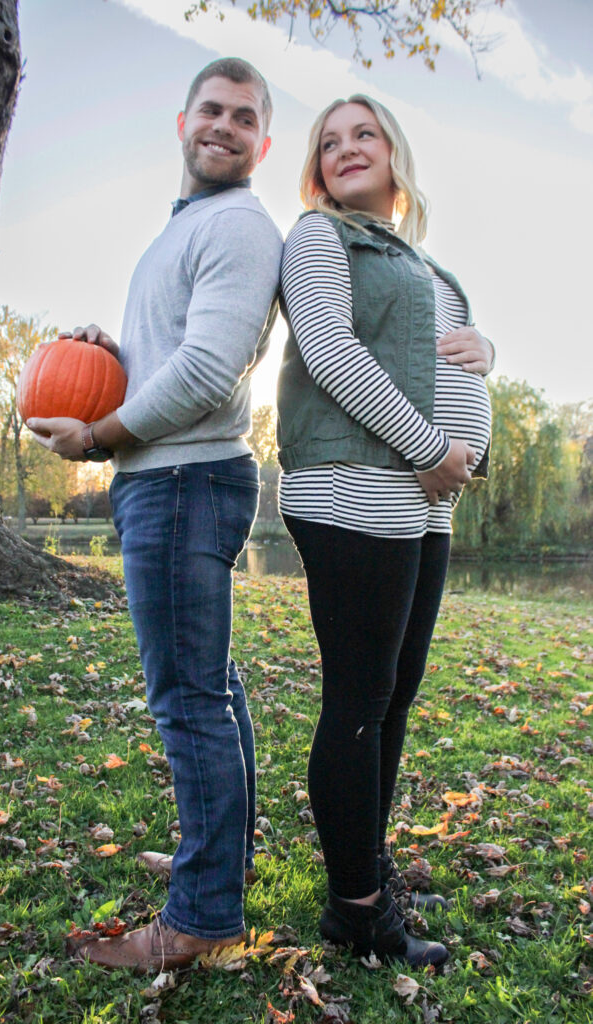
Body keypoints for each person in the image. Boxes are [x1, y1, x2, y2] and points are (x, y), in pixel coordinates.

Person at [28, 58, 283, 972]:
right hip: (175, 478)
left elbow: (211, 372)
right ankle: (217, 858)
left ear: (263, 142)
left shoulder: (242, 226)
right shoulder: (188, 229)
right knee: (209, 685)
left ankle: (204, 917)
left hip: (181, 483)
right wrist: (109, 353)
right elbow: (175, 354)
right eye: (209, 110)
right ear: (181, 123)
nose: (222, 126)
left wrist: (98, 433)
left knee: (187, 701)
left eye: (242, 117)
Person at [276, 94, 494, 968]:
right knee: (359, 704)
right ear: (316, 166)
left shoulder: (418, 259)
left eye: (362, 133)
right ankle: (356, 910)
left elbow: (447, 347)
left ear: (394, 151)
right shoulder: (318, 237)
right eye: (329, 141)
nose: (345, 148)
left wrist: (487, 348)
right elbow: (328, 352)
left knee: (393, 699)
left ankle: (365, 864)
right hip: (354, 488)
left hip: (423, 501)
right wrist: (429, 446)